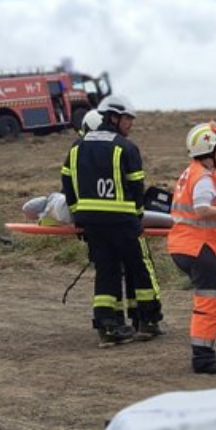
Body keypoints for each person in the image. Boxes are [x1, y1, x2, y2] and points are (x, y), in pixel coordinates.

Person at [60, 95, 164, 346]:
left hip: (91, 221)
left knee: (106, 271)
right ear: (114, 117)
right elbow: (137, 187)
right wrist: (138, 217)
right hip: (123, 220)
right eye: (128, 118)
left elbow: (68, 185)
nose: (131, 124)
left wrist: (78, 217)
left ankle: (108, 327)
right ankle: (148, 321)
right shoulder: (125, 147)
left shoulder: (76, 147)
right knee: (141, 267)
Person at [168, 122, 216, 374]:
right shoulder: (202, 177)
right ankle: (202, 357)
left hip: (190, 245)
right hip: (199, 246)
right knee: (210, 300)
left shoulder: (192, 172)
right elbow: (202, 210)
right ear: (209, 149)